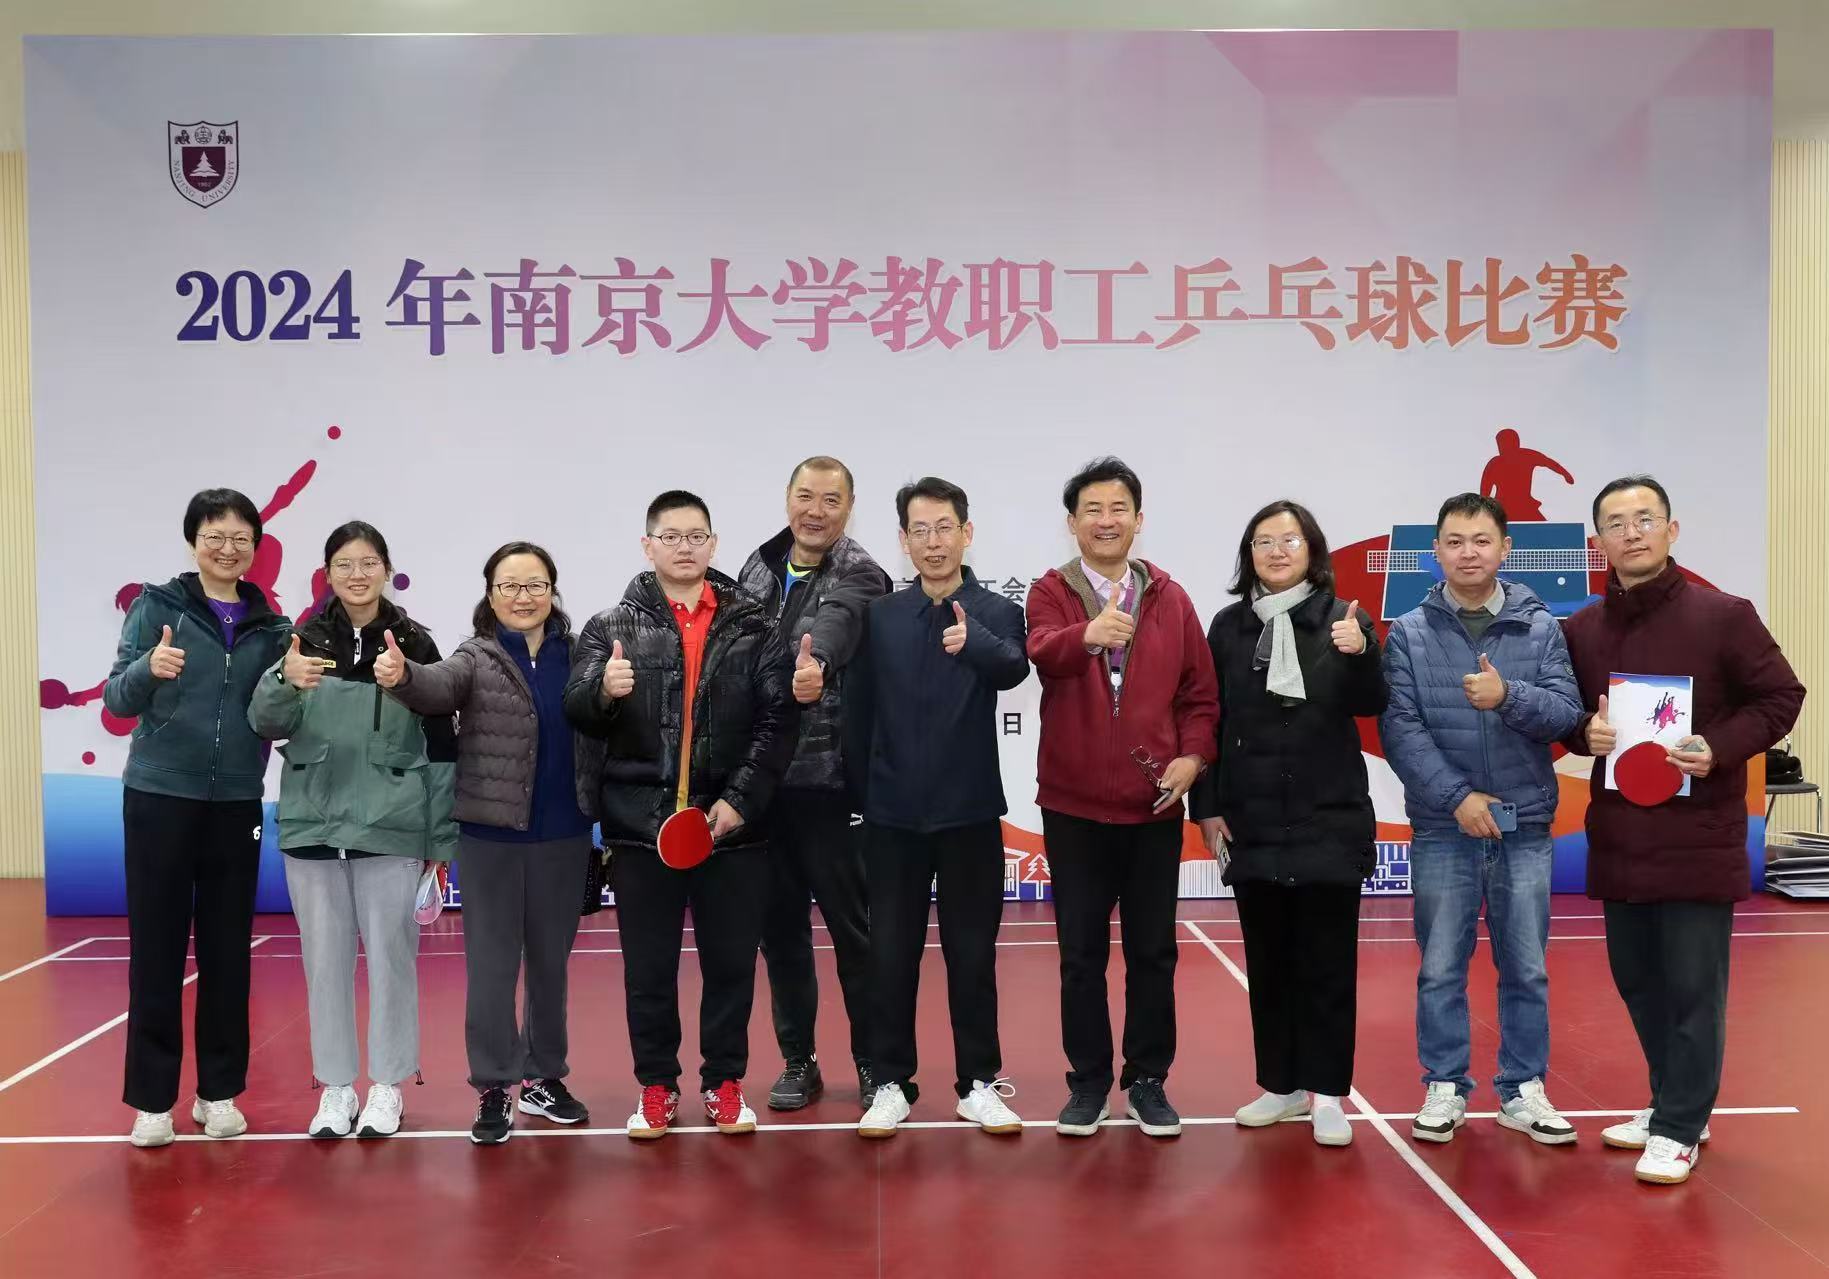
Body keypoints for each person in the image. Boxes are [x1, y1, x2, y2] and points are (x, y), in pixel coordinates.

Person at [1561, 476, 1804, 1185]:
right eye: (1615, 523)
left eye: (1644, 519)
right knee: (1638, 981)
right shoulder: (1581, 630)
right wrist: (1582, 732)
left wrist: (1718, 746)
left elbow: (1780, 695)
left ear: (1671, 531)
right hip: (1620, 838)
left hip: (1699, 835)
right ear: (1599, 542)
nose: (1631, 532)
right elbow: (1566, 714)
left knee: (1694, 988)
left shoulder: (1724, 615)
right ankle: (1670, 1101)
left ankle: (1678, 1125)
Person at [564, 491, 796, 1140]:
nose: (685, 547)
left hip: (732, 830)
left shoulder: (755, 625)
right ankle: (657, 1086)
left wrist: (738, 802)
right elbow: (576, 707)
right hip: (641, 829)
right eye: (671, 536)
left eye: (697, 536)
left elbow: (779, 722)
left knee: (730, 966)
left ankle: (724, 1081)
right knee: (648, 970)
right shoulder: (608, 626)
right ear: (648, 546)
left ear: (713, 544)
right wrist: (603, 693)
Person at [1379, 493, 1583, 1146]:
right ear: (1435, 552)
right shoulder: (1408, 632)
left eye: (1481, 540)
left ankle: (1523, 1089)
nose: (1468, 552)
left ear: (1504, 549)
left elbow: (1565, 715)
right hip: (1445, 827)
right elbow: (1400, 730)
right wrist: (1458, 799)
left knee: (1526, 967)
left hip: (1524, 825)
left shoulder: (1539, 627)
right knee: (1441, 965)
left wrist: (1508, 695)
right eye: (1454, 541)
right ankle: (1444, 1084)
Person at [376, 541, 595, 1145]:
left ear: (552, 591)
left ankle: (545, 1078)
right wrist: (403, 676)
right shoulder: (475, 656)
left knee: (550, 967)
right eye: (510, 586)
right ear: (491, 595)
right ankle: (495, 1086)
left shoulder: (580, 655)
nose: (523, 597)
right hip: (490, 839)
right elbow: (436, 688)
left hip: (565, 834)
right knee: (493, 969)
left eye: (535, 585)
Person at [1026, 457, 1219, 1138]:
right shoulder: (1051, 591)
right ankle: (1086, 1083)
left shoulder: (1170, 596)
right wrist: (1088, 634)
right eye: (1092, 510)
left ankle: (1146, 1079)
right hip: (1073, 808)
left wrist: (1192, 757)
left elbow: (1199, 695)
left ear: (1138, 520)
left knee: (1152, 953)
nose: (1105, 521)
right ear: (1072, 522)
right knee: (1079, 955)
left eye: (1118, 509)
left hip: (1152, 807)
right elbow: (1041, 649)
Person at [249, 521, 456, 1139]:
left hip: (392, 830)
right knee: (324, 964)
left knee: (393, 960)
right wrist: (283, 680)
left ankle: (388, 1086)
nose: (357, 574)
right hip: (312, 827)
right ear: (328, 573)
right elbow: (265, 722)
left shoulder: (415, 644)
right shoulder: (301, 641)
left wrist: (439, 841)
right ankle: (336, 1088)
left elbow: (443, 747)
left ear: (386, 570)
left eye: (368, 563)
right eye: (344, 563)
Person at [1190, 501, 1386, 1148]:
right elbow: (1208, 719)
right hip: (1252, 819)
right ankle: (1280, 1085)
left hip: (1328, 816)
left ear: (1312, 550)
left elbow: (1372, 701)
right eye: (1264, 541)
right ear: (1248, 554)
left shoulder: (1343, 618)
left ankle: (1327, 1093)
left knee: (1327, 964)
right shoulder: (1228, 627)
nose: (1277, 551)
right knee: (1268, 963)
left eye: (1290, 540)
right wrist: (1207, 806)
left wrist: (1360, 655)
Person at [105, 488, 293, 1147]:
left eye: (241, 537)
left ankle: (219, 1093)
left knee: (227, 953)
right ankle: (152, 1102)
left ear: (255, 547)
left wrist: (294, 684)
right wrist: (149, 668)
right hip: (158, 796)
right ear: (194, 541)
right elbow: (116, 699)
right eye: (215, 535)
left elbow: (278, 716)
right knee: (156, 952)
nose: (228, 548)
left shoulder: (274, 626)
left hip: (236, 802)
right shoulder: (157, 606)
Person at [846, 477, 1030, 1138]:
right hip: (892, 819)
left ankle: (978, 1082)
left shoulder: (996, 611)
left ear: (966, 533)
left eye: (944, 527)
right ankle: (890, 1082)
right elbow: (858, 713)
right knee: (890, 957)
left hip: (969, 814)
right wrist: (863, 799)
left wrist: (971, 641)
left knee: (972, 957)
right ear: (903, 540)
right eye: (919, 530)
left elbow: (1014, 668)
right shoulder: (882, 617)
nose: (933, 541)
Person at [737, 455, 891, 1111]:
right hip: (762, 789)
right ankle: (798, 1061)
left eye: (831, 499)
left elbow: (838, 622)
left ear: (849, 507)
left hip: (831, 787)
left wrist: (816, 662)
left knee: (855, 935)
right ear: (787, 497)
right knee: (781, 937)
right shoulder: (756, 566)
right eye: (806, 496)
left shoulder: (862, 572)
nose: (816, 511)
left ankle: (875, 1063)